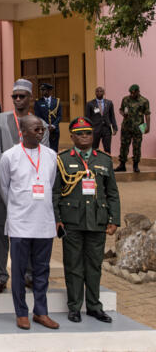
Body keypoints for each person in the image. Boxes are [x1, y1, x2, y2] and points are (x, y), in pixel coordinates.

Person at [54, 117, 120, 324]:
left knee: (94, 265)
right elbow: (55, 193)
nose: (84, 136)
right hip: (71, 221)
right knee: (73, 265)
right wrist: (57, 219)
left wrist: (114, 219)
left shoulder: (104, 159)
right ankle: (74, 307)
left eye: (88, 133)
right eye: (80, 133)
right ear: (72, 136)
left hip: (97, 220)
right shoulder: (63, 159)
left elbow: (113, 194)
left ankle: (94, 306)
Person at [0, 115, 59, 330]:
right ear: (21, 131)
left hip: (44, 222)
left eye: (42, 129)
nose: (40, 132)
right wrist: (19, 206)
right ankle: (21, 312)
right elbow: (4, 188)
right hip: (20, 222)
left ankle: (41, 312)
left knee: (42, 270)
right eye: (36, 129)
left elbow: (50, 185)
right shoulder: (9, 156)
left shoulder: (51, 155)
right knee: (19, 270)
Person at [0, 79, 49, 293]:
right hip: (5, 186)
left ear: (30, 98)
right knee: (2, 230)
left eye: (22, 96)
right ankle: (1, 276)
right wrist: (9, 181)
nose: (18, 100)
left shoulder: (40, 122)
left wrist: (26, 181)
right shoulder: (0, 119)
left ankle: (27, 274)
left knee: (29, 231)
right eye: (14, 96)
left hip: (30, 189)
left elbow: (44, 155)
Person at [116, 84, 150, 172]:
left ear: (138, 91)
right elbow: (121, 109)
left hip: (139, 127)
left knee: (137, 146)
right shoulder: (125, 99)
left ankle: (136, 165)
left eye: (134, 93)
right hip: (126, 127)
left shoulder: (144, 101)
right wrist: (123, 113)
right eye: (130, 93)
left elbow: (147, 114)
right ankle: (122, 165)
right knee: (124, 146)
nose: (132, 95)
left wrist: (147, 127)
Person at [85, 87, 118, 154]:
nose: (99, 92)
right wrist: (88, 130)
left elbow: (112, 116)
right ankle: (93, 163)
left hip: (107, 129)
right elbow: (87, 118)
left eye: (101, 91)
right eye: (97, 91)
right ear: (95, 93)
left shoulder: (109, 103)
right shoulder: (90, 104)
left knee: (107, 148)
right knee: (94, 148)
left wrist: (115, 128)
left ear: (104, 93)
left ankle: (107, 163)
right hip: (95, 129)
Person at [35, 83, 62, 152]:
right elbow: (38, 116)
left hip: (54, 130)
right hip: (43, 129)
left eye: (44, 90)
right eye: (41, 90)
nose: (41, 92)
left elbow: (59, 116)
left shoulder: (57, 101)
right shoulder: (38, 102)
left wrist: (53, 126)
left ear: (49, 91)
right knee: (44, 149)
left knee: (54, 149)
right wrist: (46, 126)